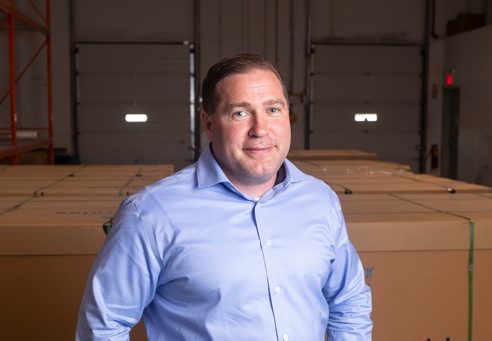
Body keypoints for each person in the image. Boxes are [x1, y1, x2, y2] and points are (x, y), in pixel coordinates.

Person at [76, 53, 372, 340]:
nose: (260, 129)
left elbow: (349, 299)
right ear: (208, 124)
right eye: (240, 113)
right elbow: (103, 326)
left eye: (273, 109)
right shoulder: (151, 214)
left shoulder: (320, 200)